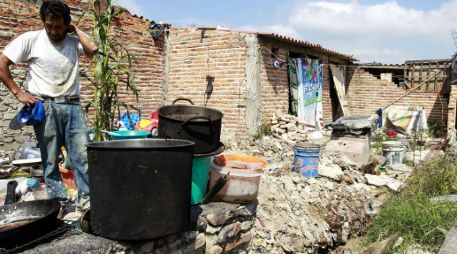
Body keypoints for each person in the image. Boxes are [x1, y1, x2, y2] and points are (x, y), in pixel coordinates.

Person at [0, 0, 98, 211]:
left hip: (73, 106)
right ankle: (58, 203)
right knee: (50, 160)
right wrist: (18, 93)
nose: (54, 31)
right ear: (43, 22)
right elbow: (2, 63)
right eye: (49, 26)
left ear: (67, 24)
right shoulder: (32, 39)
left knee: (83, 157)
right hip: (45, 107)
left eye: (59, 26)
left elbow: (93, 49)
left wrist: (76, 29)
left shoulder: (73, 41)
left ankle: (86, 202)